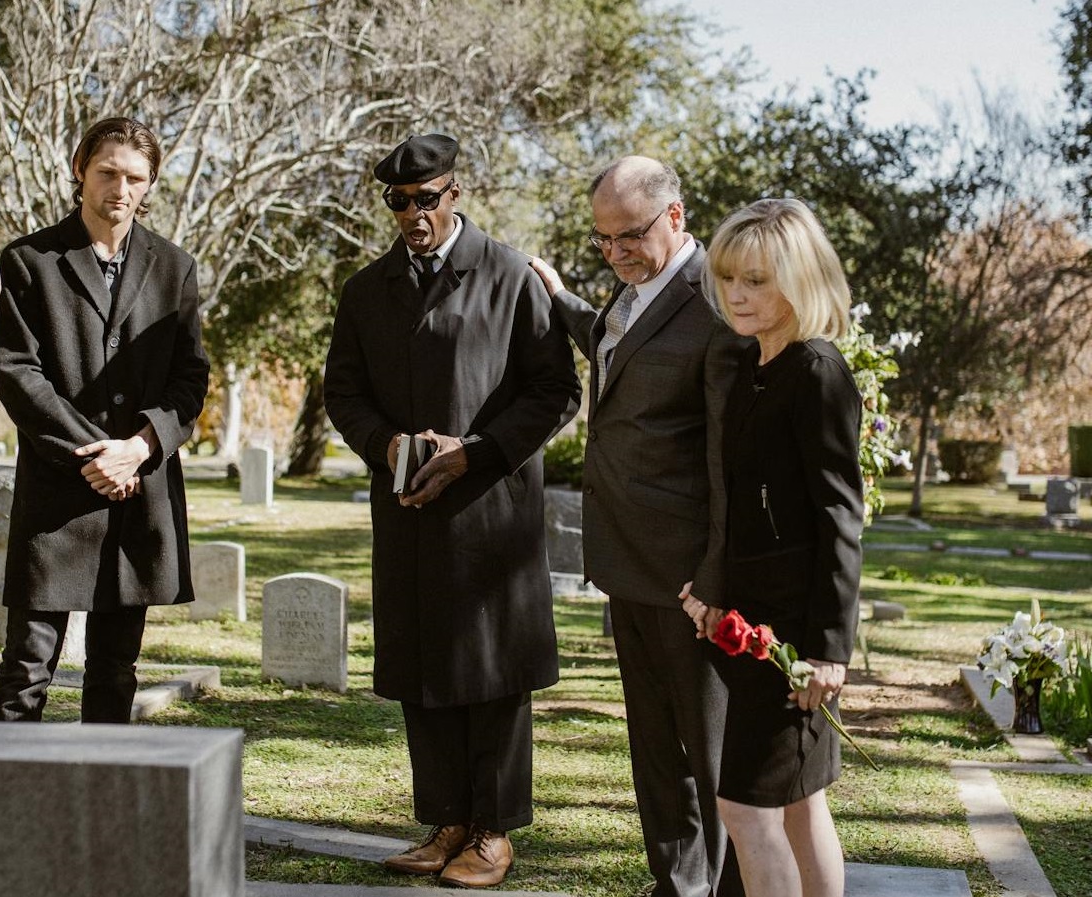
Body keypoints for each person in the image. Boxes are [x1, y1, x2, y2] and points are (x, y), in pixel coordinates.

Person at [323, 134, 580, 888]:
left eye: (425, 198)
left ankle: (494, 831)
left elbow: (556, 390)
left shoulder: (510, 276)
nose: (412, 214)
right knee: (422, 667)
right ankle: (447, 823)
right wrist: (389, 443)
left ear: (455, 192)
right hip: (405, 506)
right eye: (397, 202)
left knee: (492, 670)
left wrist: (475, 451)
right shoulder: (366, 289)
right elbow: (342, 392)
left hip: (490, 510)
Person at [530, 156, 746, 897]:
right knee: (654, 749)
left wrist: (716, 579)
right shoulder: (631, 298)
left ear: (676, 217)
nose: (615, 251)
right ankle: (676, 883)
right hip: (628, 565)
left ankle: (726, 888)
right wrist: (558, 294)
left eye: (629, 235)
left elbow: (728, 461)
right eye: (602, 239)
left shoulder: (717, 305)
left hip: (691, 580)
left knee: (709, 752)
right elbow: (610, 344)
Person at [0, 116, 210, 724]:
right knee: (26, 668)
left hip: (137, 489)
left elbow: (191, 380)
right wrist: (98, 455)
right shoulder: (30, 260)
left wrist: (138, 448)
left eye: (135, 178)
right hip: (58, 491)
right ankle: (1, 809)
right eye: (108, 172)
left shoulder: (175, 268)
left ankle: (103, 805)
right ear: (80, 170)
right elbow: (17, 374)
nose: (121, 188)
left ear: (150, 184)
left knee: (116, 668)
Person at [683, 197, 864, 897]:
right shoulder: (758, 364)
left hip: (792, 632)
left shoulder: (814, 369)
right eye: (727, 277)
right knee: (795, 802)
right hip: (755, 622)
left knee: (743, 807)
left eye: (755, 279)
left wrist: (826, 650)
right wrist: (713, 592)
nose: (734, 294)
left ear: (799, 278)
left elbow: (838, 517)